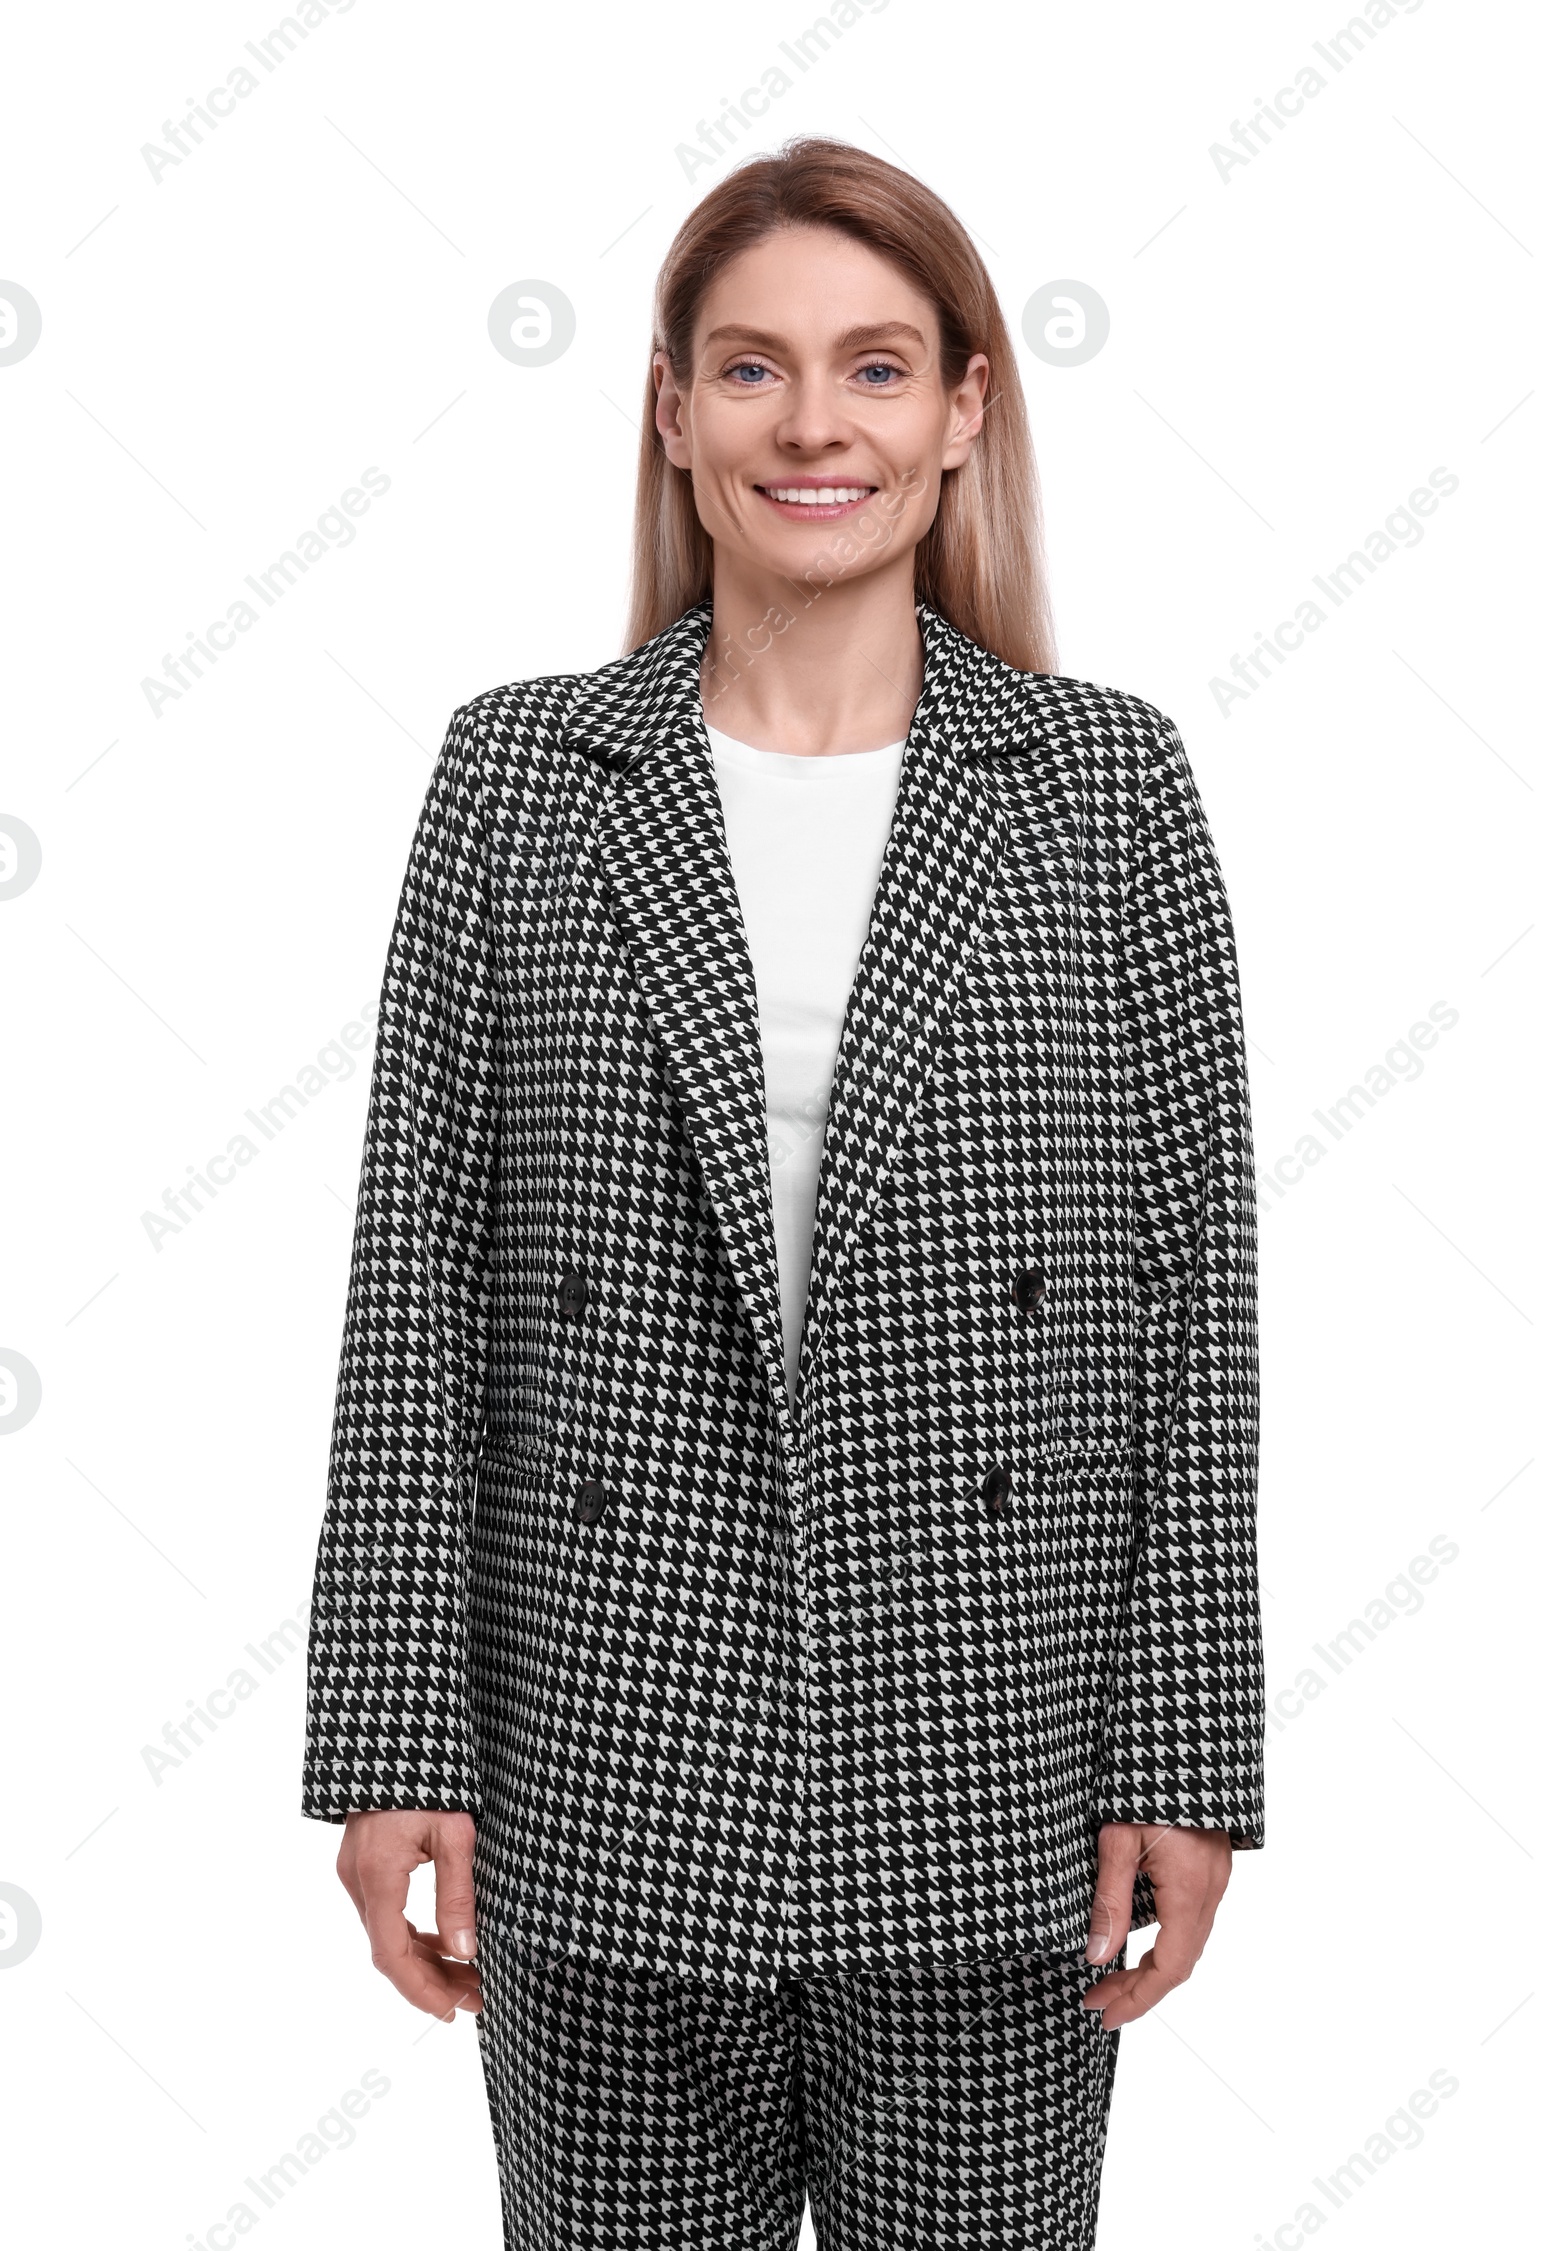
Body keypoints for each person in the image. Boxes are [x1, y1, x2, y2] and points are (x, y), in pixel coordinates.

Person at [302, 134, 1266, 2251]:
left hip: (993, 1778)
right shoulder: (515, 775)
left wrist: (1184, 1755)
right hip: (603, 1766)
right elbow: (419, 1283)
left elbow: (1198, 1301)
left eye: (873, 368)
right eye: (748, 369)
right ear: (667, 409)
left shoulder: (1105, 791)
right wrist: (388, 1737)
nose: (812, 425)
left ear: (962, 410)